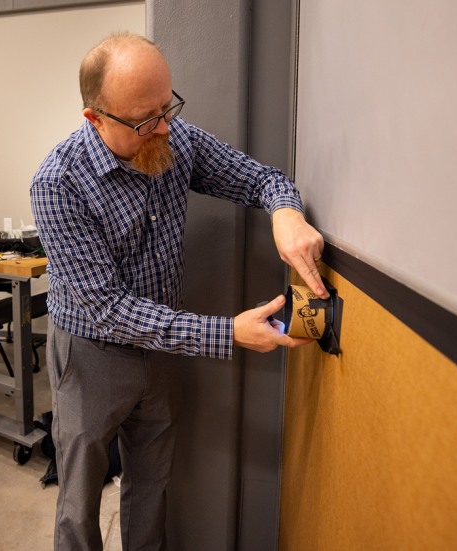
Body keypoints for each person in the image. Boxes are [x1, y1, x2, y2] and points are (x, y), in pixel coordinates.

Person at [29, 32, 327, 550]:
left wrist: (286, 211)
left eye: (168, 107)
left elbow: (261, 179)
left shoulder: (175, 137)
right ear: (95, 119)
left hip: (162, 349)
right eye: (146, 120)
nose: (165, 127)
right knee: (79, 500)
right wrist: (227, 332)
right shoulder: (57, 184)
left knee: (151, 484)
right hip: (91, 353)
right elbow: (107, 310)